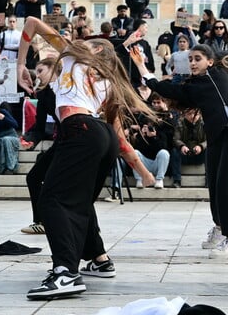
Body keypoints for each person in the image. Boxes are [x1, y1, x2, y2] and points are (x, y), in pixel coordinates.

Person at [15, 16, 156, 300]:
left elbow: (30, 22)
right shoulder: (108, 83)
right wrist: (142, 171)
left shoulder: (74, 53)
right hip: (97, 135)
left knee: (52, 200)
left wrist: (19, 65)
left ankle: (65, 273)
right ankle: (99, 260)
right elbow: (118, 138)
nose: (84, 42)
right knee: (78, 202)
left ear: (98, 51)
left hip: (78, 130)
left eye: (91, 43)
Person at [130, 43, 228, 259]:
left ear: (210, 61)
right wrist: (141, 66)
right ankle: (219, 227)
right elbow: (166, 88)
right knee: (214, 184)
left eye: (198, 58)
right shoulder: (194, 86)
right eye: (190, 60)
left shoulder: (218, 74)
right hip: (216, 134)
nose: (193, 63)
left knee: (227, 184)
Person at [21, 58, 61, 235]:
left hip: (79, 138)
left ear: (53, 69)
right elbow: (39, 125)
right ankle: (40, 221)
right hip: (62, 141)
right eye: (36, 72)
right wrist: (30, 140)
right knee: (33, 177)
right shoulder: (43, 94)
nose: (37, 75)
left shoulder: (67, 87)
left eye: (40, 71)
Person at [115, 19, 155, 87]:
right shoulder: (128, 41)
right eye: (145, 27)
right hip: (130, 74)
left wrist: (150, 69)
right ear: (140, 27)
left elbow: (149, 58)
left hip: (141, 73)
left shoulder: (145, 43)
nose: (146, 30)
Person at [172, 108, 207, 188]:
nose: (192, 116)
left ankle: (208, 180)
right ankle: (177, 180)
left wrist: (201, 146)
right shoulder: (180, 123)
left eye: (195, 114)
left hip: (199, 154)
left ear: (200, 115)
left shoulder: (204, 124)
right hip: (185, 154)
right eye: (189, 114)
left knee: (209, 151)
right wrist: (182, 146)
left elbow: (208, 140)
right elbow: (176, 139)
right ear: (185, 114)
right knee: (174, 151)